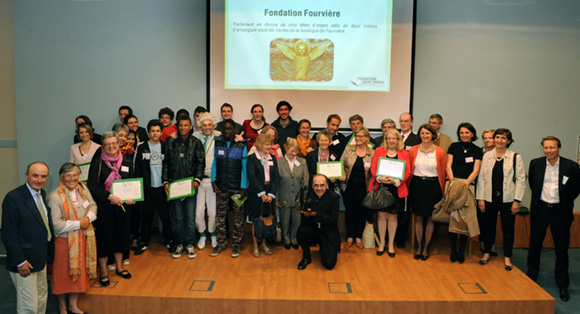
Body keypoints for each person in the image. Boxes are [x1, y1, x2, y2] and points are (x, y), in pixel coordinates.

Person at [526, 136, 580, 302]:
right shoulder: (536, 164)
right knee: (534, 245)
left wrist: (563, 202)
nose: (549, 151)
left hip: (560, 212)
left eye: (552, 148)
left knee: (561, 248)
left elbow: (576, 188)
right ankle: (531, 277)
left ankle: (562, 284)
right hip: (540, 209)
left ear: (559, 149)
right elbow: (533, 185)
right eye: (546, 147)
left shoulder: (571, 166)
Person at [2, 161, 54, 314]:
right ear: (26, 176)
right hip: (24, 262)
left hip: (40, 258)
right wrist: (20, 261)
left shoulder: (41, 194)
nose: (39, 180)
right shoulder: (13, 198)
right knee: (28, 306)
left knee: (42, 298)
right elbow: (8, 234)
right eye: (35, 175)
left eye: (43, 176)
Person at [47, 163, 97, 314]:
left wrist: (88, 219)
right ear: (62, 178)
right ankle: (62, 307)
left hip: (83, 239)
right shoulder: (54, 197)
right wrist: (79, 224)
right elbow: (56, 226)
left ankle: (73, 306)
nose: (72, 179)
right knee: (63, 276)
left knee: (79, 275)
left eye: (75, 175)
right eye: (68, 175)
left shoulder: (83, 189)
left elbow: (93, 205)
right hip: (63, 242)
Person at [87, 131, 134, 286]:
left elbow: (132, 182)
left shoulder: (127, 161)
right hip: (105, 207)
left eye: (114, 143)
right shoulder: (98, 163)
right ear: (103, 146)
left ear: (119, 143)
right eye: (108, 144)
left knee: (121, 236)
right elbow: (92, 186)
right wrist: (109, 196)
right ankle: (104, 271)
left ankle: (119, 267)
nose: (112, 146)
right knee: (105, 238)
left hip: (122, 208)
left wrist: (132, 197)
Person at [476, 128, 525, 270]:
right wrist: (480, 198)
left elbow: (521, 180)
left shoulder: (515, 157)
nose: (499, 140)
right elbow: (482, 178)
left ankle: (508, 257)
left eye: (503, 138)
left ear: (509, 141)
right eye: (497, 137)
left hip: (508, 199)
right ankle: (486, 253)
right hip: (489, 198)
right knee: (488, 227)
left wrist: (517, 200)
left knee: (508, 229)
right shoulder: (487, 156)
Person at [163, 115, 205, 259]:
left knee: (190, 216)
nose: (183, 128)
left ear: (191, 127)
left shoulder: (197, 143)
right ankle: (179, 244)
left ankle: (189, 244)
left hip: (190, 186)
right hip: (175, 186)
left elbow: (200, 163)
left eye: (186, 125)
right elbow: (166, 163)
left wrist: (197, 180)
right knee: (178, 218)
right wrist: (165, 182)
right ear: (178, 126)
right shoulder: (171, 142)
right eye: (181, 125)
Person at [133, 119, 176, 256]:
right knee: (146, 217)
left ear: (161, 132)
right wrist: (140, 188)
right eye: (152, 131)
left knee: (165, 217)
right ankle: (144, 242)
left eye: (158, 131)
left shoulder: (165, 146)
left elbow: (170, 167)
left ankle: (169, 240)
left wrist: (168, 182)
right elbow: (138, 168)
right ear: (148, 132)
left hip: (162, 188)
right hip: (148, 188)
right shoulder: (142, 147)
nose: (155, 133)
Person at [368, 129, 411, 258]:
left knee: (393, 217)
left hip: (397, 188)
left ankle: (391, 244)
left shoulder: (404, 153)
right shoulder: (379, 151)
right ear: (385, 140)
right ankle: (382, 243)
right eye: (389, 138)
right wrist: (379, 178)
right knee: (381, 216)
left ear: (399, 140)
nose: (391, 141)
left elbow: (408, 171)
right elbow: (373, 168)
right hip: (382, 188)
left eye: (394, 138)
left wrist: (397, 180)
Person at [210, 119, 248, 258]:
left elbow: (244, 168)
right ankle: (221, 243)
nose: (227, 131)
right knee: (220, 217)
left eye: (230, 129)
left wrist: (243, 187)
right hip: (221, 187)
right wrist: (214, 180)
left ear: (234, 130)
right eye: (225, 129)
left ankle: (237, 243)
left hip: (237, 188)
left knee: (238, 217)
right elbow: (214, 162)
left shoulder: (241, 145)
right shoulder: (218, 143)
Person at [445, 122, 482, 263]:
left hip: (468, 185)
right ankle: (453, 250)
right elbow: (448, 165)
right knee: (453, 218)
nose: (464, 135)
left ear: (472, 134)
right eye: (461, 133)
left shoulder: (477, 150)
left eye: (467, 132)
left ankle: (462, 251)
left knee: (465, 220)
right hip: (453, 183)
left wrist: (466, 183)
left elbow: (476, 170)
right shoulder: (454, 147)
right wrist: (452, 181)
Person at [408, 124, 446, 261]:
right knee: (418, 217)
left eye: (427, 133)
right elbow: (409, 169)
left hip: (433, 186)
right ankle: (419, 246)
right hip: (417, 185)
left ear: (433, 135)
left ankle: (426, 247)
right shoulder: (413, 150)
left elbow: (443, 172)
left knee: (431, 218)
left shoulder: (440, 152)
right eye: (422, 133)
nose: (425, 136)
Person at [296, 174, 341, 270]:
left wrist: (315, 214)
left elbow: (333, 220)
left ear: (326, 185)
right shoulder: (306, 196)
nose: (319, 188)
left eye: (322, 185)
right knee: (301, 231)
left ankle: (324, 249)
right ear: (312, 186)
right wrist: (305, 215)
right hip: (313, 229)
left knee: (329, 264)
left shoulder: (334, 197)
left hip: (328, 232)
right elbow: (304, 220)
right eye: (316, 185)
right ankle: (306, 258)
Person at [340, 127, 374, 249]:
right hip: (348, 187)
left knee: (362, 212)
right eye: (357, 136)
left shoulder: (372, 152)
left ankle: (359, 237)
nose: (358, 139)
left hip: (364, 189)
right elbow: (341, 164)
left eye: (361, 136)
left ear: (367, 138)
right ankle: (350, 237)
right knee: (350, 212)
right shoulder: (349, 149)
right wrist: (342, 173)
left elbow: (374, 171)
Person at [247, 134, 280, 257]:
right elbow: (252, 177)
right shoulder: (252, 158)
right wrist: (262, 194)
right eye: (266, 144)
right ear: (259, 145)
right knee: (256, 219)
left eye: (270, 144)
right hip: (256, 192)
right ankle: (255, 245)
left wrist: (271, 194)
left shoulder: (272, 158)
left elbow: (276, 177)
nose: (269, 146)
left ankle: (264, 244)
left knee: (267, 218)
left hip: (269, 192)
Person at [194, 113, 221, 250]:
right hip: (198, 181)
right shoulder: (195, 138)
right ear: (200, 126)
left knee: (213, 212)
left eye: (209, 124)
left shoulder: (219, 138)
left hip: (212, 180)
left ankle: (214, 234)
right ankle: (202, 235)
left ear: (213, 125)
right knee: (198, 213)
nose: (207, 127)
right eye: (204, 125)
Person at [277, 139, 309, 250]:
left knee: (297, 221)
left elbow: (306, 182)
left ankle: (294, 239)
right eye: (291, 151)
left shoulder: (302, 162)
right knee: (284, 220)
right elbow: (276, 182)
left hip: (298, 198)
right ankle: (286, 239)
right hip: (283, 196)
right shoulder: (279, 162)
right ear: (286, 149)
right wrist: (277, 198)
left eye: (296, 151)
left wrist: (302, 198)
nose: (294, 154)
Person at [396, 112, 421, 249]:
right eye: (401, 121)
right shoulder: (394, 137)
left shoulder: (417, 138)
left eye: (406, 121)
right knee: (393, 210)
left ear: (412, 122)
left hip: (409, 179)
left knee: (405, 211)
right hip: (393, 180)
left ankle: (401, 238)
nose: (403, 123)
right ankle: (391, 237)